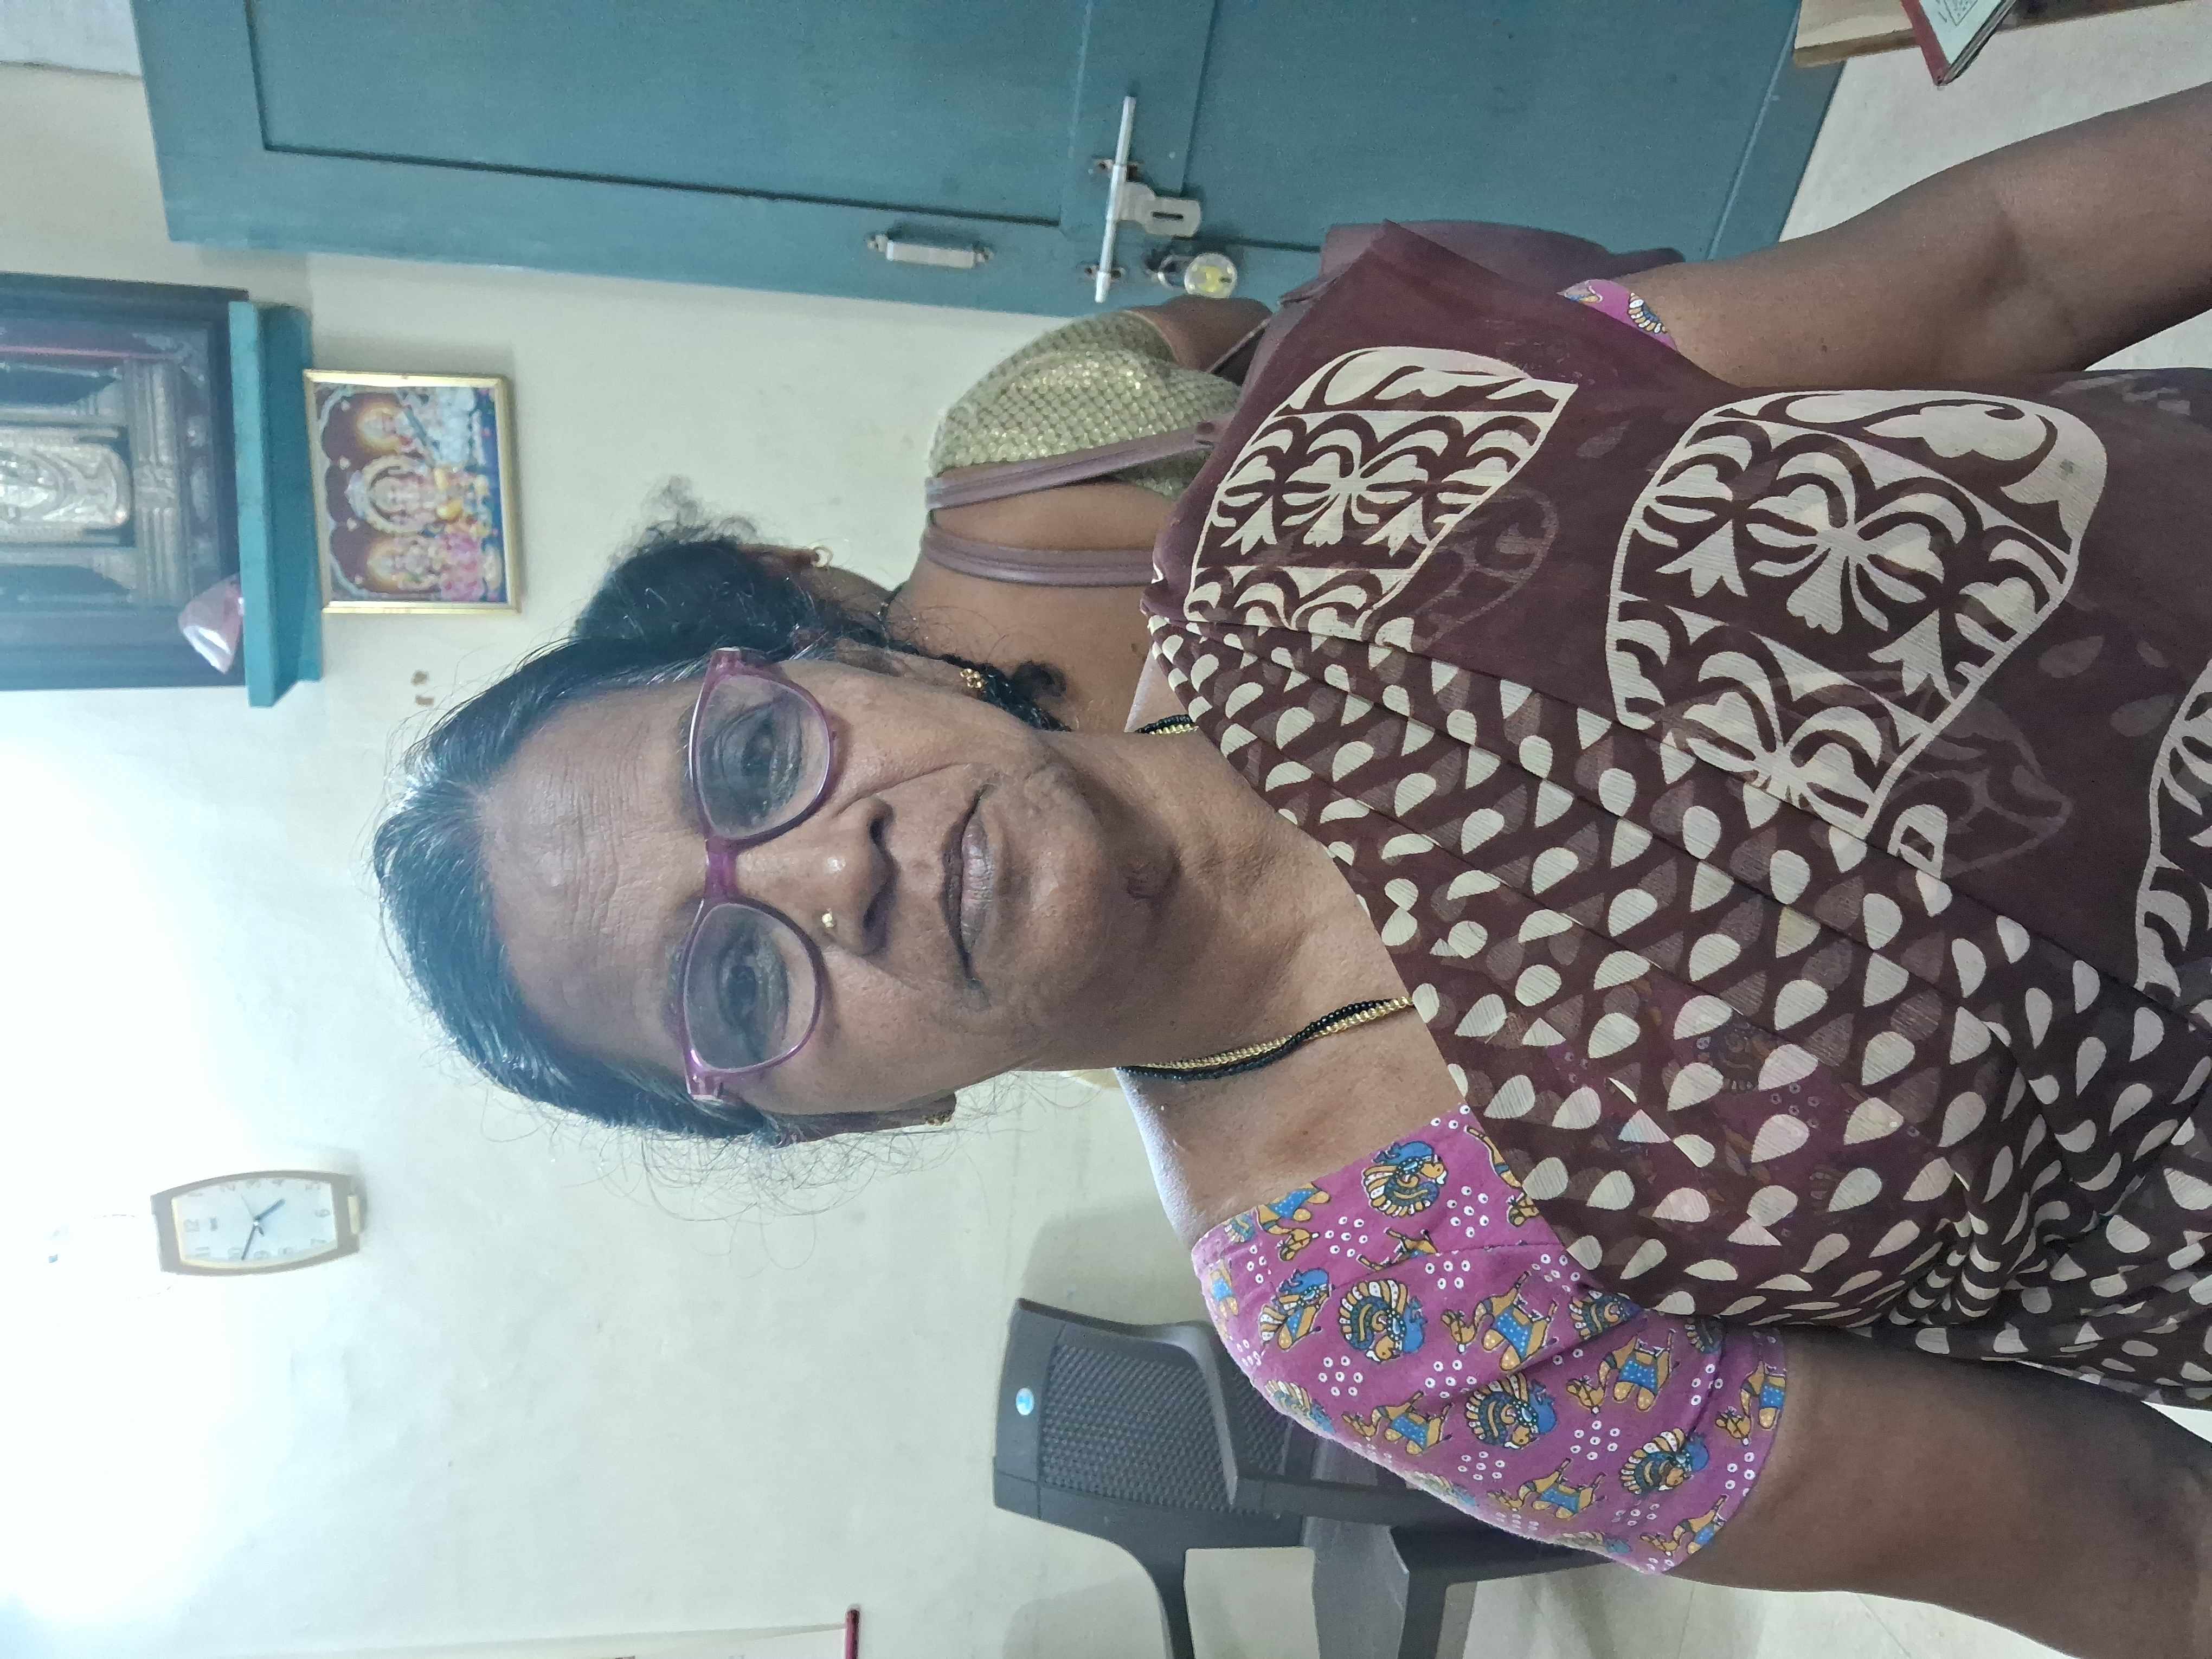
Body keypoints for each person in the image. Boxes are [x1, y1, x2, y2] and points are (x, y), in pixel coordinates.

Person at [375, 85, 2212, 1655]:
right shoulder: (1382, 1307)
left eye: (751, 762)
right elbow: (2126, 1533)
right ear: (848, 1115)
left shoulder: (1347, 460)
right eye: (734, 981)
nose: (824, 877)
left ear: (840, 655)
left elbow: (2008, 271)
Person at [578, 228, 1676, 731]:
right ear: (778, 560)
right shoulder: (1004, 440)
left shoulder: (1001, 833)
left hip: (1576, 731)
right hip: (1613, 482)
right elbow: (1231, 317)